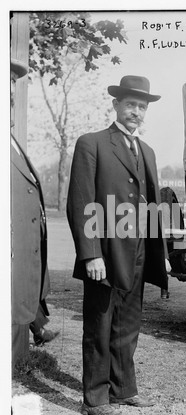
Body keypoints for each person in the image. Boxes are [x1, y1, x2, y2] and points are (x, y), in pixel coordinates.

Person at [67, 75, 171, 415]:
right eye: (130, 105)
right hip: (106, 252)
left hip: (139, 251)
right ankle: (95, 398)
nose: (136, 112)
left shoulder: (148, 152)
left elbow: (154, 205)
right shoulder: (92, 143)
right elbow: (81, 201)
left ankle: (123, 389)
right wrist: (90, 253)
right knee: (100, 322)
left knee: (128, 323)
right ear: (116, 105)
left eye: (142, 107)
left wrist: (162, 256)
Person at [11, 58, 58, 372]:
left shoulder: (11, 138)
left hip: (23, 252)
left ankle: (19, 360)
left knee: (20, 306)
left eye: (12, 85)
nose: (11, 92)